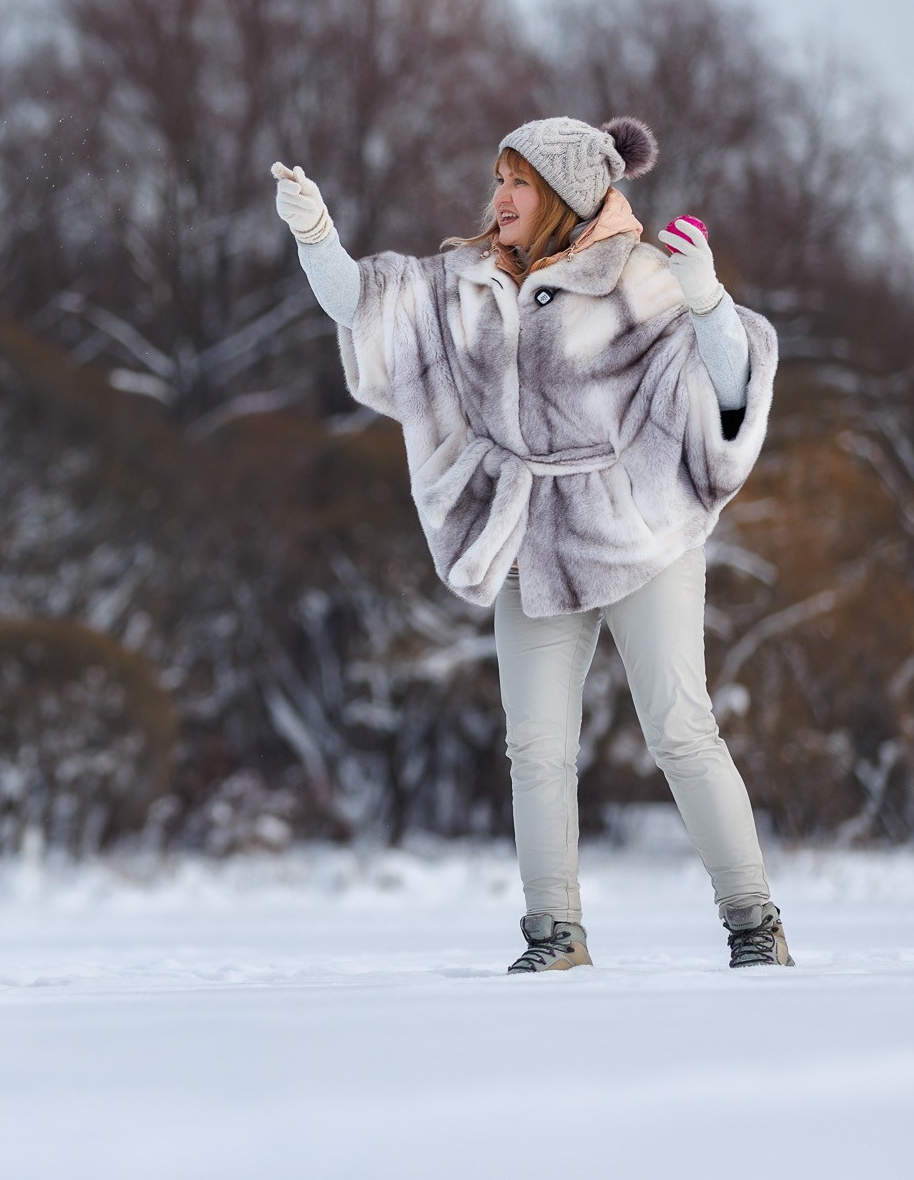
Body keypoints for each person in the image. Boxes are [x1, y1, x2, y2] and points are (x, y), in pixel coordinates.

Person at [270, 117, 794, 971]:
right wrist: (316, 234)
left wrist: (707, 303)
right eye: (499, 178)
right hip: (531, 538)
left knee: (679, 727)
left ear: (565, 193)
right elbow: (365, 306)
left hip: (638, 530)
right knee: (535, 747)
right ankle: (555, 935)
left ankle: (754, 924)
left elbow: (729, 387)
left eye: (519, 181)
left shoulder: (639, 277)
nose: (501, 196)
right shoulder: (467, 283)